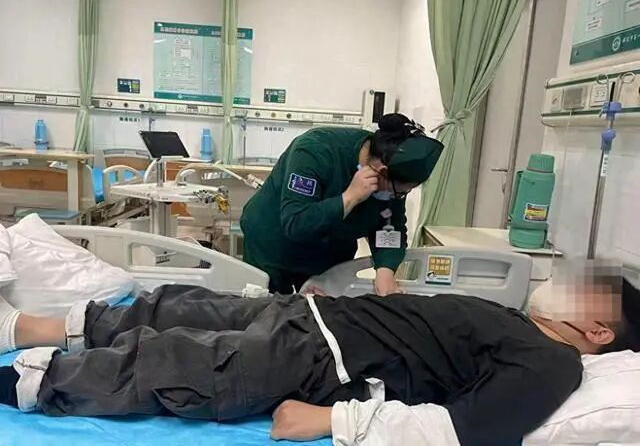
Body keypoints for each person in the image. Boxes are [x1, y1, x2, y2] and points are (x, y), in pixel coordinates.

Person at [0, 276, 638, 446]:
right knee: (179, 305)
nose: (570, 281)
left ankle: (22, 382)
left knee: (176, 361)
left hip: (320, 360)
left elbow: (460, 431)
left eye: (590, 290)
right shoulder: (516, 319)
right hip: (311, 314)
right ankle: (30, 327)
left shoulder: (554, 362)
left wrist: (334, 421)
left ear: (598, 329)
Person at [240, 113, 444, 295]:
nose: (399, 197)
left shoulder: (395, 173)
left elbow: (390, 226)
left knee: (323, 314)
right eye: (400, 192)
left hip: (329, 251)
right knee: (267, 311)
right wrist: (349, 197)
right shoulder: (315, 150)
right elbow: (296, 223)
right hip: (274, 244)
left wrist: (386, 270)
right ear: (382, 171)